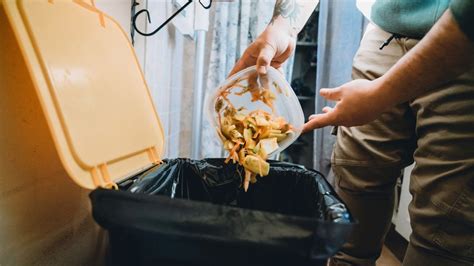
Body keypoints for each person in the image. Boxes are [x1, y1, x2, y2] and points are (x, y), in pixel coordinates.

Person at [230, 0, 474, 265]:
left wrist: (381, 94)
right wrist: (283, 25)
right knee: (356, 183)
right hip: (387, 31)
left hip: (463, 40)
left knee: (443, 227)